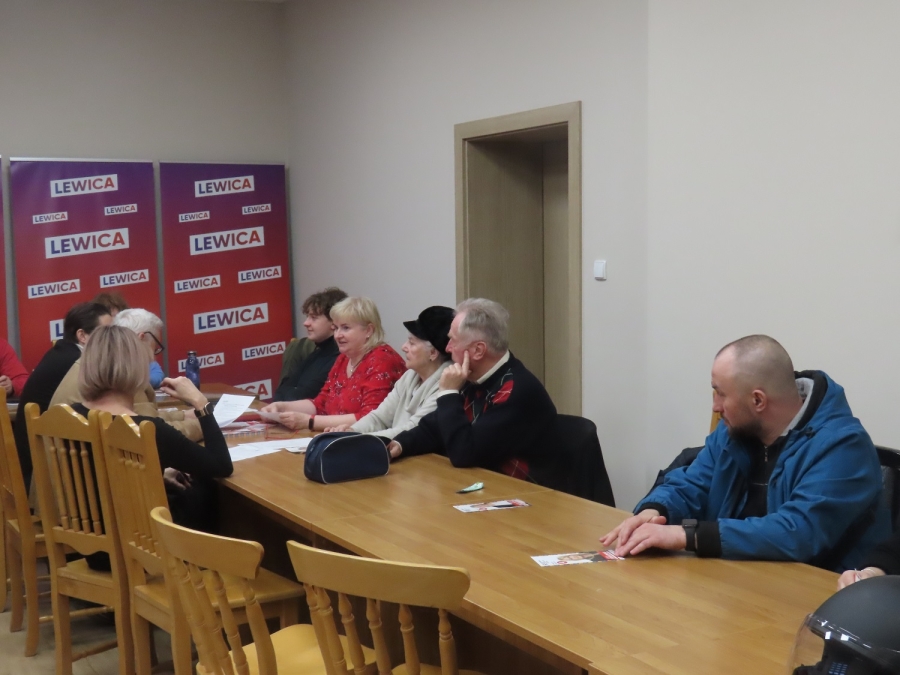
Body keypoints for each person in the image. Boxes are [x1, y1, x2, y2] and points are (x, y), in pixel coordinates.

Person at [601, 335, 890, 572]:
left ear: (758, 400)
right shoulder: (735, 431)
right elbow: (692, 483)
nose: (715, 407)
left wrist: (686, 535)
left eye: (721, 394)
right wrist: (655, 513)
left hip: (813, 597)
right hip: (735, 580)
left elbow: (798, 533)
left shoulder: (843, 447)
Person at [71, 325, 231, 544]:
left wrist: (152, 473)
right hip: (140, 547)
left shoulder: (70, 415)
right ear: (138, 370)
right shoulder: (148, 430)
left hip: (88, 539)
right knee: (202, 489)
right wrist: (200, 402)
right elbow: (221, 465)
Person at [387, 298, 558, 479]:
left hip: (526, 490)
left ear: (478, 350)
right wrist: (401, 444)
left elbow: (464, 453)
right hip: (483, 482)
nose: (447, 348)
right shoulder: (472, 377)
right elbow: (434, 428)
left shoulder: (516, 391)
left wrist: (448, 393)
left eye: (452, 340)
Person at [50, 308, 201, 441]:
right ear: (141, 338)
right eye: (154, 348)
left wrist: (183, 416)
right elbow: (153, 433)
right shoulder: (122, 372)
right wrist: (205, 422)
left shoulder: (97, 361)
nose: (153, 358)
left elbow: (143, 418)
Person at [261, 296, 405, 431]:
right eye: (336, 328)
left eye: (345, 328)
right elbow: (320, 404)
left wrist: (309, 421)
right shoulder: (344, 359)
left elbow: (369, 418)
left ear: (368, 330)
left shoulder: (382, 360)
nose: (337, 335)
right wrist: (282, 407)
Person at [13, 302, 113, 486]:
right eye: (106, 332)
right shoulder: (78, 362)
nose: (112, 339)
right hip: (43, 473)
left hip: (37, 460)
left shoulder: (61, 353)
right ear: (83, 336)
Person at [327, 305, 455, 439]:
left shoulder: (446, 385)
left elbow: (412, 430)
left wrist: (356, 439)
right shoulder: (409, 376)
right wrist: (352, 430)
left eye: (412, 343)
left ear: (433, 353)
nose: (403, 347)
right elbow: (379, 417)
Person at [273, 286, 347, 401]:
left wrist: (288, 396)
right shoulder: (316, 354)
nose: (306, 323)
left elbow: (305, 395)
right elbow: (282, 389)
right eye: (307, 316)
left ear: (334, 322)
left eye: (314, 317)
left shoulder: (340, 358)